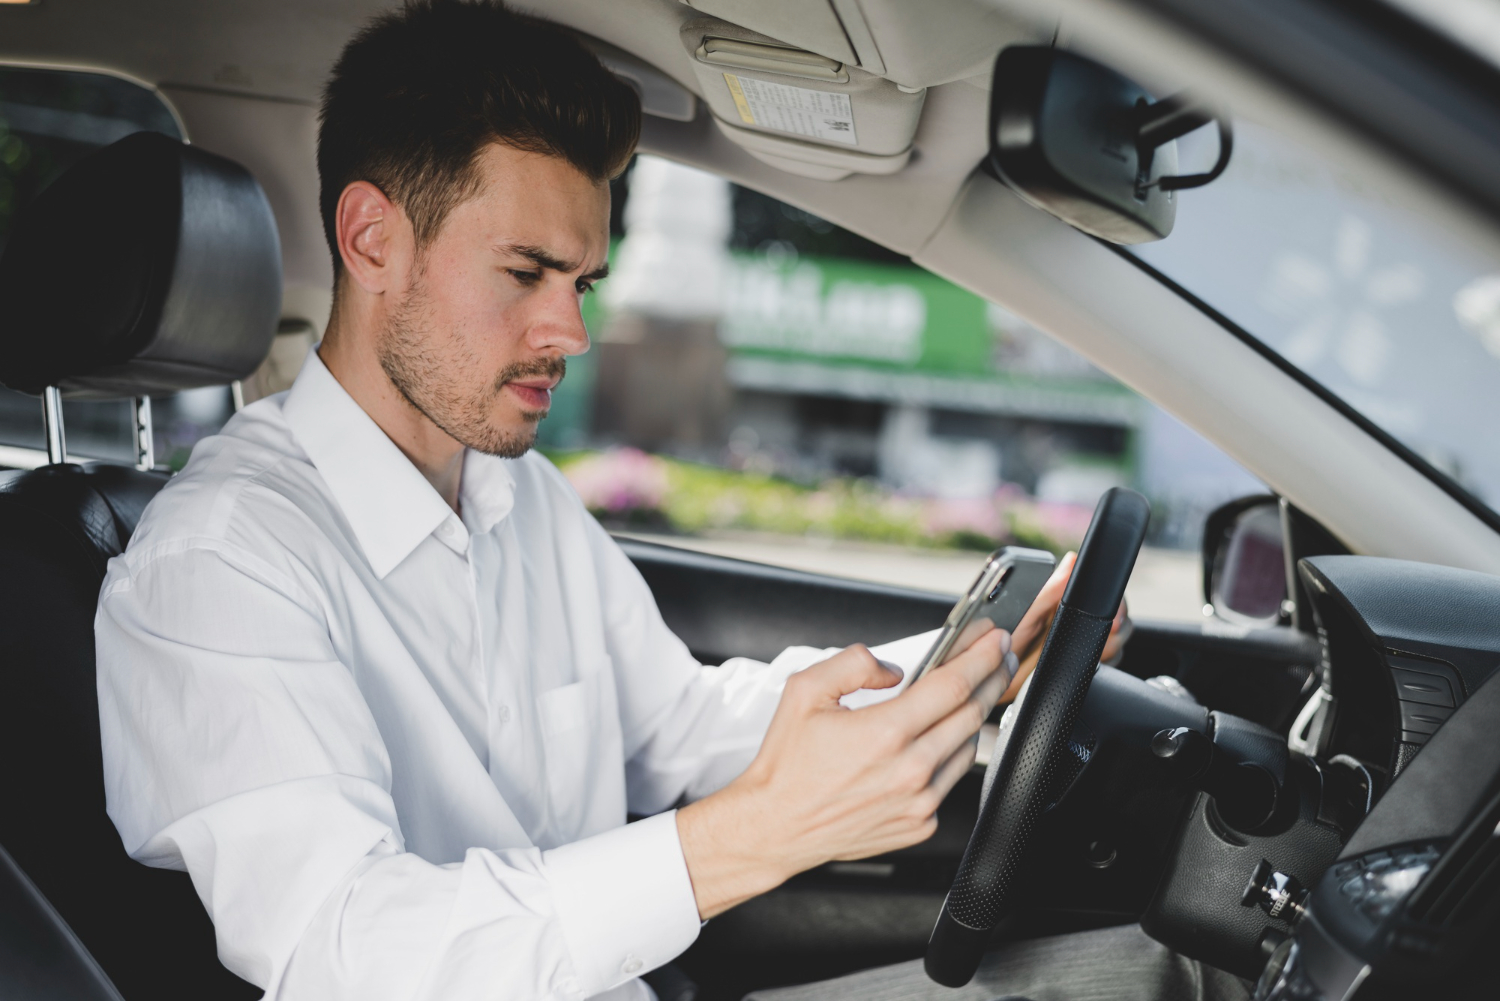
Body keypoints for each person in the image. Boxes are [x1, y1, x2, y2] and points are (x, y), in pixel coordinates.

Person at [94, 4, 1225, 1001]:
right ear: (372, 239)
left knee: (1169, 973)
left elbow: (682, 727)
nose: (571, 333)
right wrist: (757, 834)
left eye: (581, 282)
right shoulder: (219, 564)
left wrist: (966, 663)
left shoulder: (516, 494)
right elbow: (344, 952)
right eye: (527, 272)